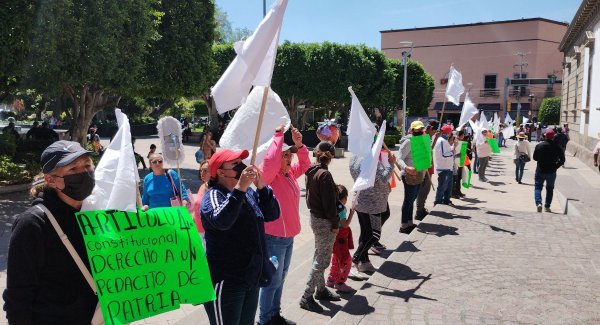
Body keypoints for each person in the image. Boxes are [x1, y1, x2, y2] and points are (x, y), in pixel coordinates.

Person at [3, 140, 98, 323]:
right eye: (72, 169)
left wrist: (139, 225)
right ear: (50, 179)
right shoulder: (32, 224)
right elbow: (18, 298)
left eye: (87, 165)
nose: (83, 173)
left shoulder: (98, 214)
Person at [201, 149, 280, 325]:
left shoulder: (249, 194)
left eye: (241, 162)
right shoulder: (214, 195)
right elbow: (221, 220)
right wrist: (239, 188)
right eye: (235, 164)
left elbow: (272, 214)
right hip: (227, 281)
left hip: (250, 278)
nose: (242, 167)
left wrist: (262, 187)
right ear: (220, 172)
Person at [258, 126, 309, 325]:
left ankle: (274, 314)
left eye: (290, 155)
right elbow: (269, 163)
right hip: (274, 238)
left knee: (281, 278)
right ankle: (264, 320)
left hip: (287, 238)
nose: (289, 158)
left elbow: (304, 163)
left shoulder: (288, 175)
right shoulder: (270, 178)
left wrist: (300, 145)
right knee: (271, 281)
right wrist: (278, 135)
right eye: (285, 155)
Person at [299, 141, 341, 313]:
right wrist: (335, 222)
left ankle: (321, 290)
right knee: (322, 260)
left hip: (315, 218)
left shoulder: (311, 171)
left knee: (319, 254)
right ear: (330, 156)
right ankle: (306, 296)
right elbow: (329, 204)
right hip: (324, 221)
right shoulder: (324, 174)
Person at [349, 142, 395, 273]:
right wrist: (391, 164)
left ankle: (364, 262)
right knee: (373, 235)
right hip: (372, 203)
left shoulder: (355, 156)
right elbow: (383, 178)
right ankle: (356, 259)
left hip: (362, 199)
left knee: (365, 233)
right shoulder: (371, 159)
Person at [397, 120, 427, 233]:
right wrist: (406, 168)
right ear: (412, 130)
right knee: (408, 200)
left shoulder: (422, 141)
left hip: (419, 174)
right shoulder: (408, 142)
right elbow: (399, 158)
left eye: (421, 129)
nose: (419, 131)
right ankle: (404, 225)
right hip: (409, 175)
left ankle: (409, 223)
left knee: (412, 200)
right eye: (417, 129)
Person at [326, 185, 355, 293]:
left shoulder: (331, 207)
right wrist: (351, 214)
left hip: (334, 237)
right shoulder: (341, 209)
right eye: (346, 197)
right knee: (346, 260)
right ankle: (340, 282)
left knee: (336, 258)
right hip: (341, 238)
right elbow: (345, 224)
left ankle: (331, 279)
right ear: (342, 198)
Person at [533, 129, 565, 212]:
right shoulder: (558, 147)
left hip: (540, 170)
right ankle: (547, 206)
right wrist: (555, 166)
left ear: (545, 136)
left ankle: (539, 203)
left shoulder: (539, 146)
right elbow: (562, 160)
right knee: (550, 189)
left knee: (538, 187)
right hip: (551, 171)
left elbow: (535, 158)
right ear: (553, 137)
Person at [415, 119, 439, 220]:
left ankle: (421, 208)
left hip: (427, 166)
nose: (435, 133)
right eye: (435, 130)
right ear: (432, 128)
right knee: (423, 190)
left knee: (425, 189)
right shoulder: (424, 136)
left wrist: (435, 139)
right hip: (424, 168)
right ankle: (419, 211)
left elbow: (429, 149)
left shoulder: (427, 136)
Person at [433, 125, 456, 205]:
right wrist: (452, 153)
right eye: (450, 132)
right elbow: (443, 154)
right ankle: (438, 202)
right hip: (443, 168)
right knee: (442, 187)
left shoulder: (444, 141)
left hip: (448, 167)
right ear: (448, 133)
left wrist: (452, 150)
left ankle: (446, 200)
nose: (451, 134)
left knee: (448, 187)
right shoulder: (441, 141)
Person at [192, 160, 210, 236]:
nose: (202, 173)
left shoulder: (214, 189)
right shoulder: (202, 186)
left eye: (205, 171)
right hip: (197, 230)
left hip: (207, 233)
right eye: (201, 170)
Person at [452, 130, 466, 198]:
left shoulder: (462, 142)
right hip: (456, 163)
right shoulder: (455, 142)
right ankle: (454, 192)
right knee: (456, 178)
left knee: (459, 177)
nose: (463, 136)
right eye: (462, 135)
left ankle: (458, 191)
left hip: (460, 162)